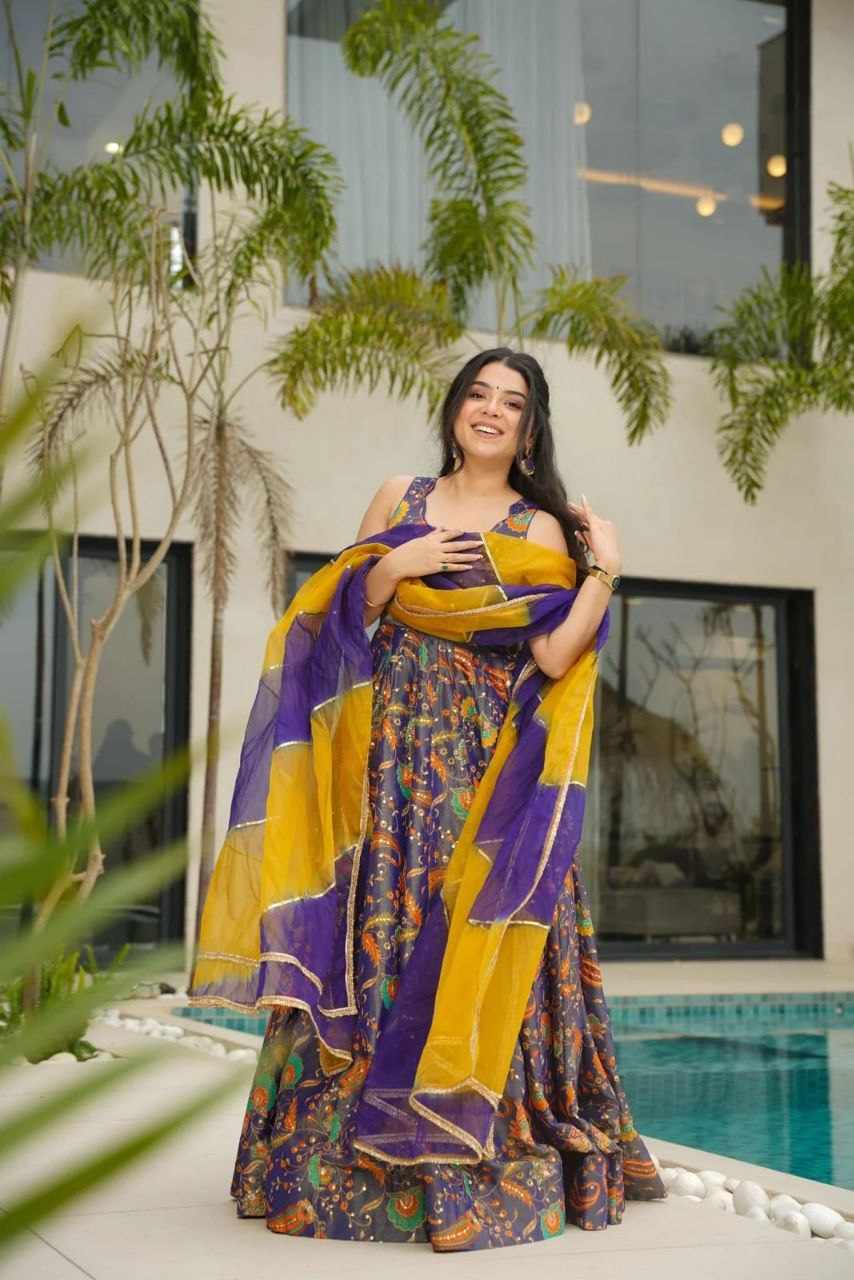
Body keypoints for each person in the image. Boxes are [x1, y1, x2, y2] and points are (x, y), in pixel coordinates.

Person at [189, 347, 666, 1251]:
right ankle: (336, 1158)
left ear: (530, 429)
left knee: (467, 919)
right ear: (454, 408)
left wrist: (604, 570)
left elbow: (554, 655)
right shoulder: (398, 497)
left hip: (486, 767)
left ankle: (460, 1156)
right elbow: (343, 617)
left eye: (512, 403)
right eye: (478, 394)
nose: (491, 410)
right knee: (378, 918)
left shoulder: (542, 528)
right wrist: (390, 565)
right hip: (385, 758)